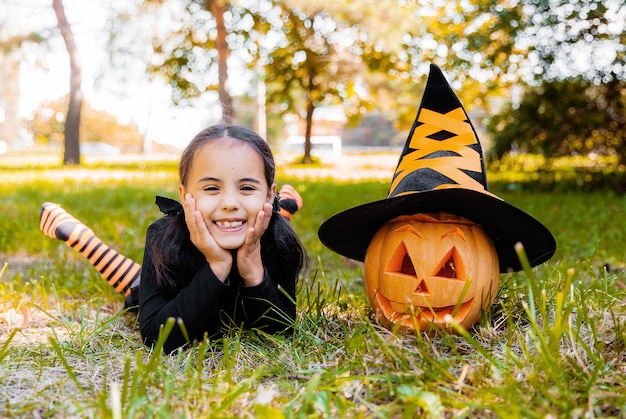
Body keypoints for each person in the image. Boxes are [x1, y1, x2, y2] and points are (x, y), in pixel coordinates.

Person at [39, 125, 307, 353]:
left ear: (268, 194)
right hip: (171, 283)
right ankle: (82, 238)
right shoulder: (165, 236)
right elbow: (157, 337)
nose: (229, 203)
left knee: (268, 220)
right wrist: (216, 267)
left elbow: (281, 331)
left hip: (265, 221)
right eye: (212, 188)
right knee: (137, 283)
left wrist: (253, 271)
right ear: (183, 194)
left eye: (247, 188)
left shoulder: (279, 241)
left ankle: (281, 210)